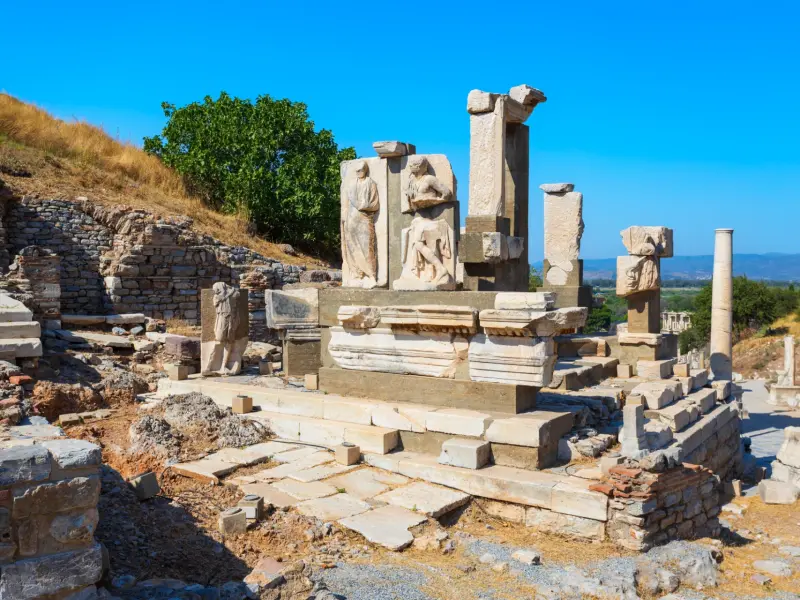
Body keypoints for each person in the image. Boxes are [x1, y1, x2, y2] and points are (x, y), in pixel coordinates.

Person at [341, 160, 379, 288]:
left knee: (367, 248)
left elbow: (375, 204)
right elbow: (345, 204)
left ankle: (371, 275)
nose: (358, 172)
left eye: (360, 170)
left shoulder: (371, 183)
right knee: (352, 247)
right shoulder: (351, 184)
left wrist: (364, 206)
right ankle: (357, 275)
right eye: (356, 170)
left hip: (365, 218)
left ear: (365, 170)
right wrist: (345, 219)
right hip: (351, 220)